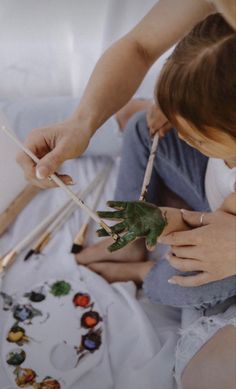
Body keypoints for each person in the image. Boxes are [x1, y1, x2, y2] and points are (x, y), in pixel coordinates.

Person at [76, 14, 236, 389]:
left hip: (225, 241)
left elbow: (210, 236)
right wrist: (173, 107)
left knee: (182, 278)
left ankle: (141, 272)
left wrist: (166, 220)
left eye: (196, 136)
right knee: (142, 128)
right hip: (213, 201)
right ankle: (129, 243)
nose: (185, 137)